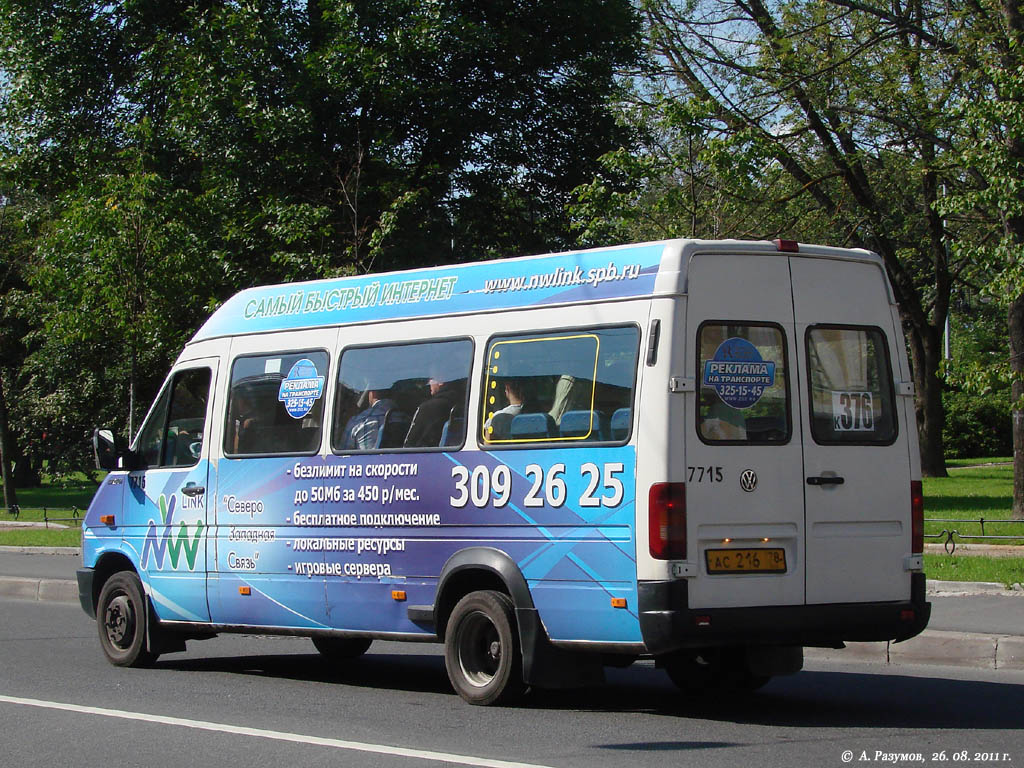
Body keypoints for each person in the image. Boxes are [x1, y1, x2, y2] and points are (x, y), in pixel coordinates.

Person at [404, 372, 464, 447]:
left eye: (431, 379)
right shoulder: (459, 404)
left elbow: (410, 444)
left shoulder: (428, 408)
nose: (429, 383)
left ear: (441, 381)